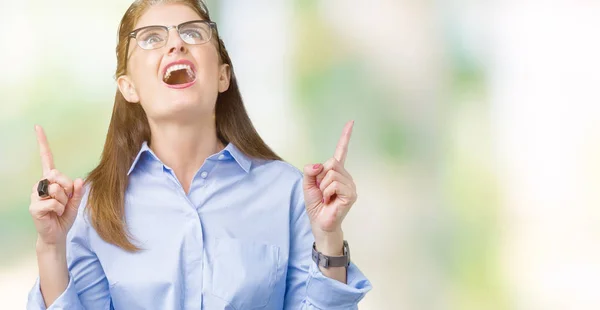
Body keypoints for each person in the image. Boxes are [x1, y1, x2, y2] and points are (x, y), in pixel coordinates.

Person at [26, 0, 372, 309]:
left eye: (192, 33)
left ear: (223, 76)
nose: (176, 43)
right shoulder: (94, 205)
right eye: (151, 38)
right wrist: (51, 248)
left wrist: (329, 237)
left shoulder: (286, 191)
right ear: (128, 87)